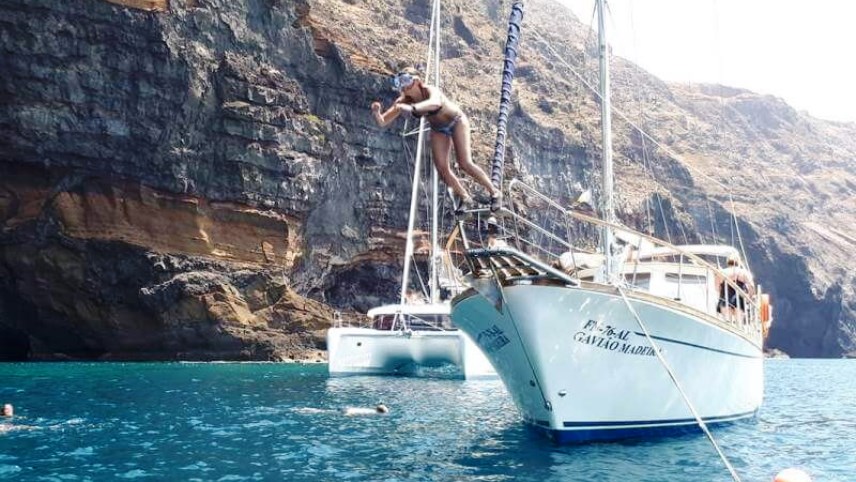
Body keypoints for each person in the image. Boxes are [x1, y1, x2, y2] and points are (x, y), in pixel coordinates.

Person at [371, 67, 502, 215]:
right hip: (438, 129)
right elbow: (383, 122)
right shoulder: (403, 101)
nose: (403, 86)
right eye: (399, 82)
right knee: (441, 168)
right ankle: (465, 198)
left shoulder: (429, 90)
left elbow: (435, 103)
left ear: (417, 81)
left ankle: (494, 192)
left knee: (464, 162)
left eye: (406, 81)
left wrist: (412, 108)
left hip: (456, 121)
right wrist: (377, 112)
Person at [716, 253, 755, 323]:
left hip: (725, 297)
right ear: (739, 262)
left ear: (728, 261)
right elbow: (751, 287)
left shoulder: (722, 272)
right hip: (739, 299)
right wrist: (749, 298)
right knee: (739, 323)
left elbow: (717, 287)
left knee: (727, 322)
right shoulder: (744, 273)